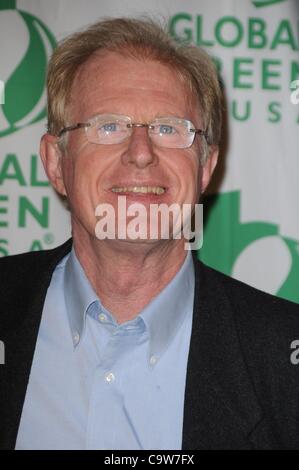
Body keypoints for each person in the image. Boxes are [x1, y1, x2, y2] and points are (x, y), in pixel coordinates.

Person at [0, 17, 299, 451]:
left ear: (206, 167)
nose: (140, 154)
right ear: (54, 162)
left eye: (168, 128)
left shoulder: (283, 356)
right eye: (108, 126)